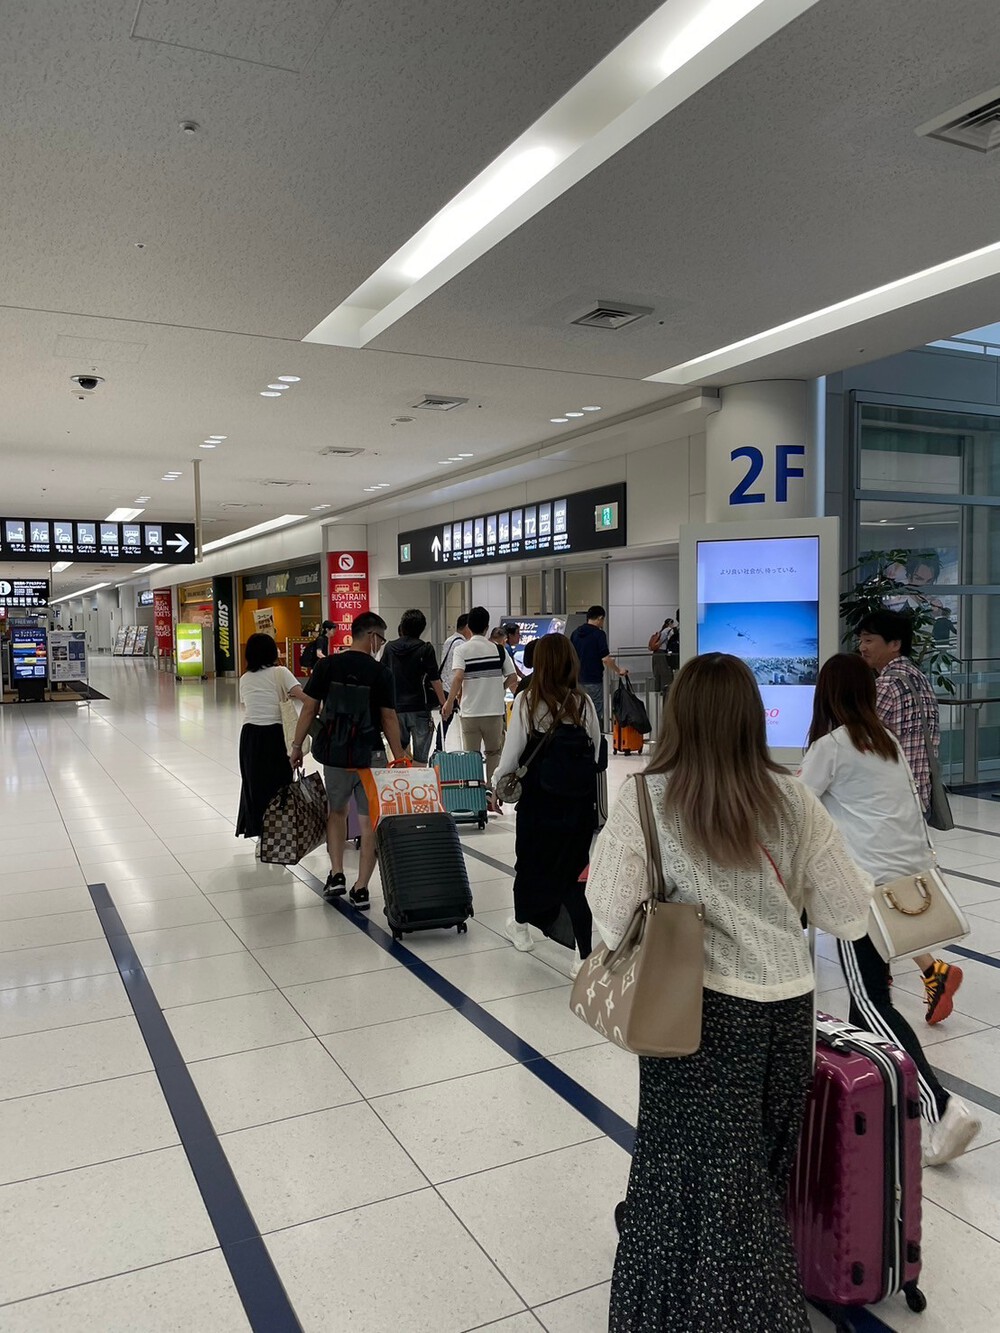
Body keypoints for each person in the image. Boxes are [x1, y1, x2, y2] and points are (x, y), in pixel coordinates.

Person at [586, 653, 874, 1332]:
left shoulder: (649, 798)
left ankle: (705, 1311)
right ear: (752, 717)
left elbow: (612, 915)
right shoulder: (793, 798)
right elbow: (849, 912)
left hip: (697, 1011)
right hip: (788, 1013)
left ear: (681, 716)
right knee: (755, 1176)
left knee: (685, 1178)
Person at [798, 652, 981, 1167]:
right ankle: (875, 1108)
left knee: (871, 1000)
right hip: (903, 889)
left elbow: (796, 810)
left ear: (826, 694)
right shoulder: (886, 742)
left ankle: (942, 1107)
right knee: (865, 1007)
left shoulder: (831, 747)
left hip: (861, 894)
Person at [858, 608, 961, 1023]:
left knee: (875, 887)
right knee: (888, 884)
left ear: (894, 644)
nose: (862, 646)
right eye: (861, 639)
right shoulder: (918, 678)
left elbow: (865, 744)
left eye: (869, 639)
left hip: (885, 803)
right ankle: (902, 967)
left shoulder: (886, 684)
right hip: (913, 797)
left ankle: (930, 970)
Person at [493, 634, 601, 975]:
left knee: (530, 865)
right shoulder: (583, 702)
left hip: (539, 804)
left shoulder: (527, 701)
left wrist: (497, 785)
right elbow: (596, 753)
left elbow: (511, 755)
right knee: (575, 874)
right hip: (578, 806)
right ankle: (582, 955)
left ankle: (521, 928)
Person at [290, 611, 405, 909]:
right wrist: (400, 758)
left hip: (336, 754)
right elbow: (389, 718)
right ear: (372, 636)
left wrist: (297, 746)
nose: (381, 644)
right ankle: (361, 888)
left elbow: (309, 709)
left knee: (337, 813)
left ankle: (337, 873)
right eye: (381, 639)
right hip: (370, 757)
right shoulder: (381, 673)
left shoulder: (328, 665)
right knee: (369, 822)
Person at [236, 633, 309, 842]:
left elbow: (249, 704)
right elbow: (304, 697)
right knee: (280, 784)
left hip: (250, 736)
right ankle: (281, 832)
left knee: (254, 786)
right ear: (271, 652)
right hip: (275, 735)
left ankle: (261, 837)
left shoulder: (244, 678)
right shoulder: (280, 672)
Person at [442, 606, 518, 798]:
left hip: (470, 713)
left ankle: (475, 795)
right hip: (494, 712)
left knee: (472, 756)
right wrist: (499, 689)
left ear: (469, 626)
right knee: (493, 753)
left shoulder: (462, 650)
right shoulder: (498, 650)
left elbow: (458, 677)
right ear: (486, 627)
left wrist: (449, 702)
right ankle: (491, 793)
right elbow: (512, 677)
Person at [383, 609, 445, 763]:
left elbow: (383, 677)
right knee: (420, 759)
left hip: (396, 709)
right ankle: (418, 776)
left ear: (402, 626)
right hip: (420, 708)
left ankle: (403, 776)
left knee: (400, 755)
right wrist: (444, 703)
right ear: (421, 629)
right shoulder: (425, 648)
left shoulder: (390, 648)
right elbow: (434, 679)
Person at [570, 605, 627, 730]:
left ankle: (580, 736)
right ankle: (595, 738)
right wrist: (618, 670)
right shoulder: (599, 634)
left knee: (579, 711)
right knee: (594, 713)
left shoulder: (575, 633)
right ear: (600, 618)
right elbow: (605, 659)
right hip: (593, 679)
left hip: (577, 680)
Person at [438, 614, 471, 739]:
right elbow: (459, 673)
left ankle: (439, 747)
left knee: (445, 721)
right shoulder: (462, 644)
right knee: (451, 720)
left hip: (444, 686)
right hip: (454, 689)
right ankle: (440, 746)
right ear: (467, 627)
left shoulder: (449, 640)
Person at [648, 617, 675, 694]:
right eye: (672, 623)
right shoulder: (668, 630)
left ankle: (658, 689)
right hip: (661, 652)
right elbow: (662, 641)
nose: (673, 625)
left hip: (656, 653)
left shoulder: (662, 631)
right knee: (664, 672)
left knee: (657, 672)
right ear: (669, 624)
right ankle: (665, 690)